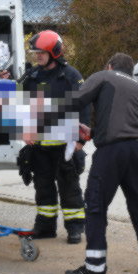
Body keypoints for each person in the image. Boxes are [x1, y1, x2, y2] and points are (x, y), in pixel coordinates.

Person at [64, 53, 138, 274]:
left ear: (110, 66)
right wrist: (94, 130)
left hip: (111, 152)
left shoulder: (105, 76)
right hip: (137, 150)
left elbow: (75, 101)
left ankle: (95, 269)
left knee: (96, 207)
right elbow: (122, 119)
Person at [21, 30, 88, 244]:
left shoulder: (71, 76)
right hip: (40, 146)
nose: (37, 56)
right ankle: (45, 227)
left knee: (70, 189)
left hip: (64, 146)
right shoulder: (32, 77)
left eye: (41, 52)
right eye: (35, 53)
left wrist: (80, 140)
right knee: (43, 188)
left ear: (54, 52)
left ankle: (75, 228)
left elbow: (84, 108)